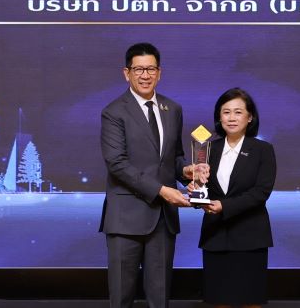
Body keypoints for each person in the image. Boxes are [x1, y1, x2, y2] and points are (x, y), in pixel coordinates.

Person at [99, 42, 194, 308]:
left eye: (151, 69)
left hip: (163, 220)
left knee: (160, 298)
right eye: (138, 69)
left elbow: (174, 158)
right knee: (121, 297)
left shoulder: (172, 109)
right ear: (126, 73)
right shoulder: (113, 112)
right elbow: (117, 164)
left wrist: (187, 171)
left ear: (159, 73)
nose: (145, 75)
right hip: (125, 219)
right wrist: (162, 191)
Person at [198, 88, 277, 308]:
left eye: (238, 112)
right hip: (215, 235)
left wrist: (224, 206)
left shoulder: (263, 149)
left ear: (250, 117)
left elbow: (261, 192)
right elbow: (202, 187)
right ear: (219, 117)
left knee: (249, 301)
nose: (231, 118)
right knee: (219, 300)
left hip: (250, 237)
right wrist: (196, 190)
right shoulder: (206, 149)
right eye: (226, 112)